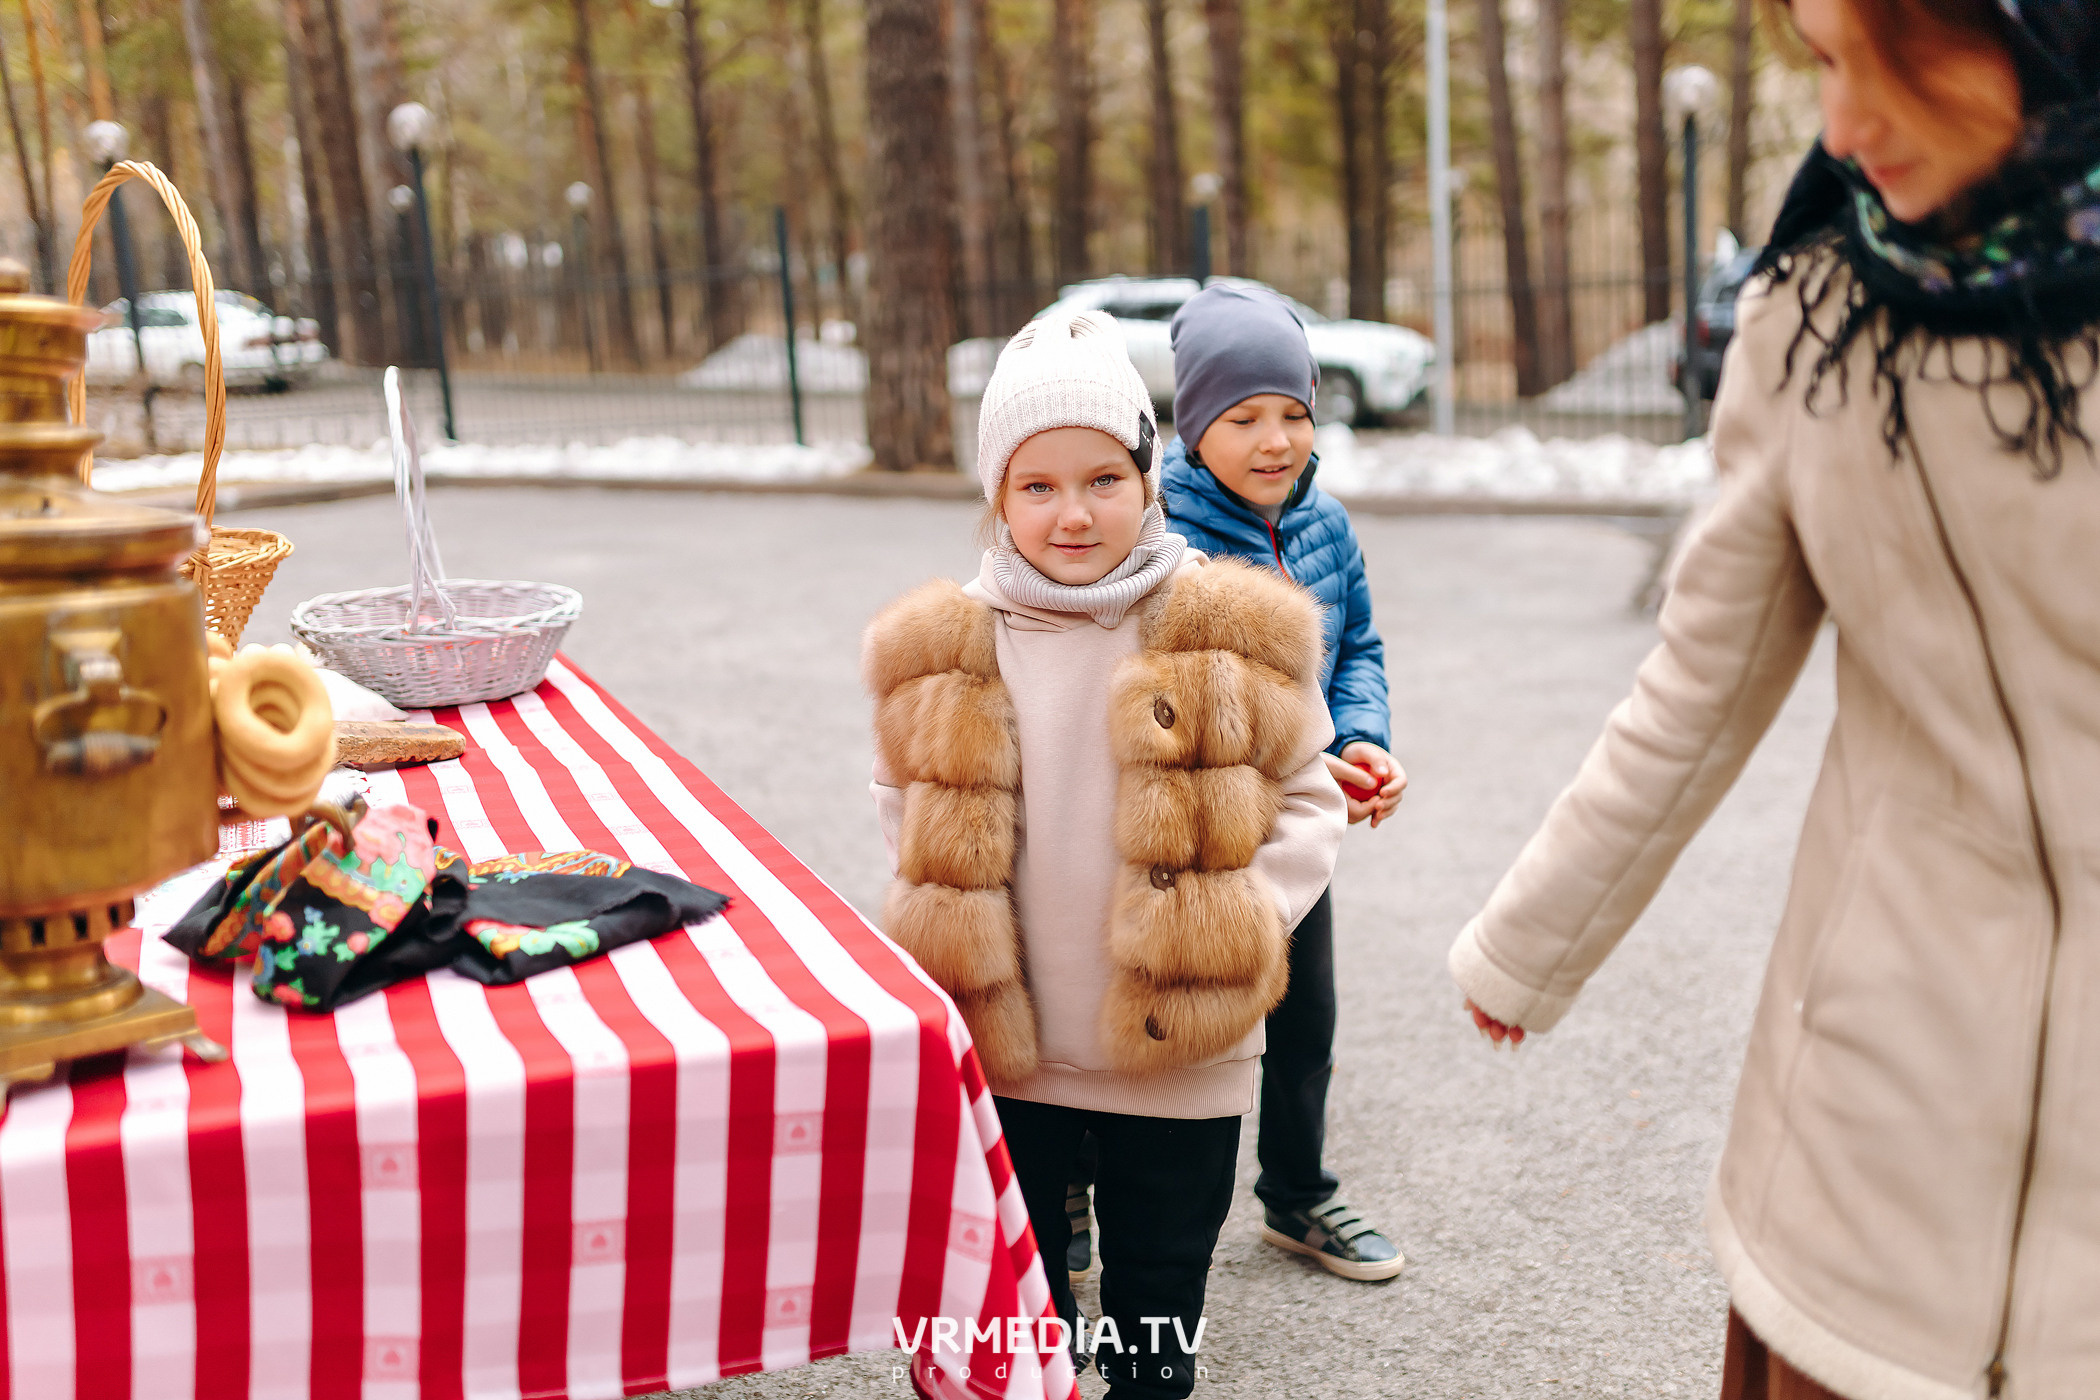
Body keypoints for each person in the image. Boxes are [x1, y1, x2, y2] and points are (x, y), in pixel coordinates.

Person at [1450, 0, 2100, 1397]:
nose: (1842, 125)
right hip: (1873, 1118)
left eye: (1893, 55)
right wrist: (1530, 942)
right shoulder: (1813, 311)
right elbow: (1707, 672)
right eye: (1818, 57)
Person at [864, 310, 1346, 1400]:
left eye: (1103, 478)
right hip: (1012, 1050)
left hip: (1179, 1053)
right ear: (996, 495)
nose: (1073, 512)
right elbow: (901, 798)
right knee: (1017, 1315)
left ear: (1150, 473)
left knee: (1155, 1313)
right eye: (1037, 486)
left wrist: (1241, 916)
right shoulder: (940, 646)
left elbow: (1311, 796)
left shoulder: (1231, 626)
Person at [1111, 280, 1407, 1284]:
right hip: (1203, 831)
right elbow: (1172, 700)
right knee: (1168, 1014)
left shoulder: (1323, 522)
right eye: (1244, 418)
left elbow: (1357, 642)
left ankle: (1296, 1189)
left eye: (1293, 413)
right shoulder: (1165, 544)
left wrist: (1361, 736)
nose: (1275, 440)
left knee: (1303, 1013)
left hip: (1298, 827)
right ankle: (1079, 1196)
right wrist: (1294, 753)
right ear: (1194, 427)